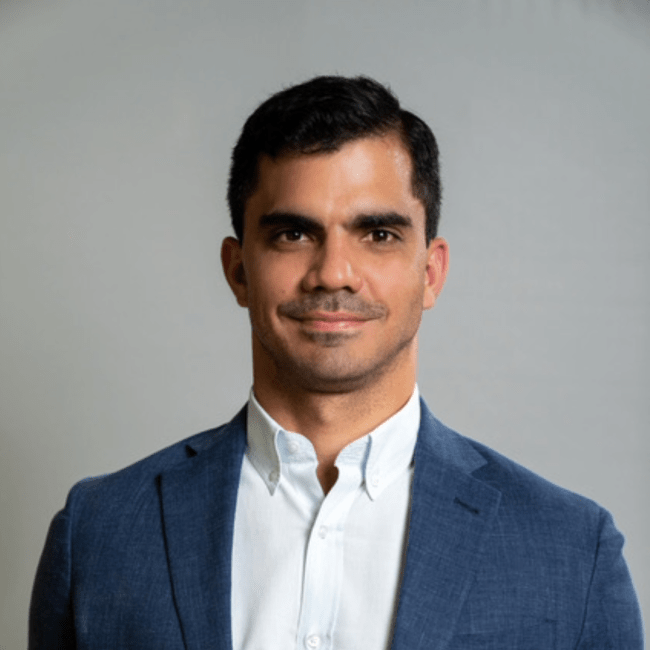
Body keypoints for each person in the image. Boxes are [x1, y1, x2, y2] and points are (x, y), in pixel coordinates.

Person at [30, 75, 643, 650]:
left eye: (377, 234)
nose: (333, 274)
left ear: (430, 273)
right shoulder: (99, 533)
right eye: (293, 234)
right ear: (238, 269)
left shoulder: (570, 553)